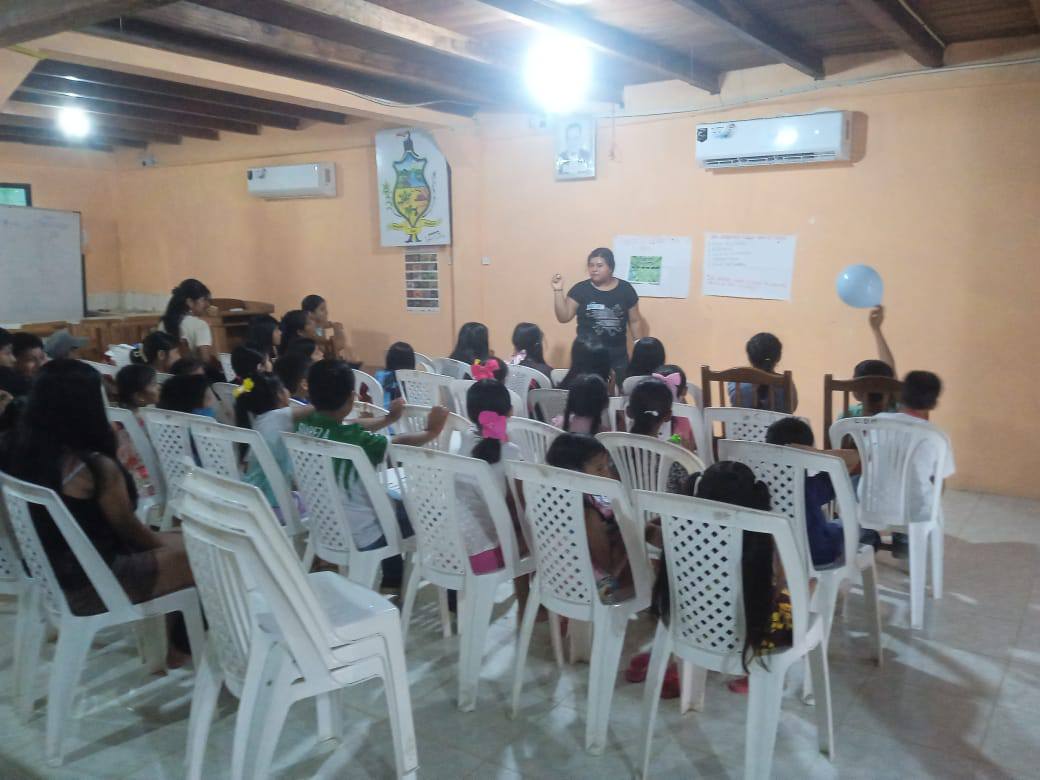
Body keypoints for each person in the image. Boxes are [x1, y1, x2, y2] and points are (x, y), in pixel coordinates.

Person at [2, 360, 194, 638]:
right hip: (95, 584)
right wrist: (168, 544)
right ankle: (181, 649)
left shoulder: (17, 451)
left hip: (50, 578)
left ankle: (172, 640)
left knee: (189, 541)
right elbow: (130, 531)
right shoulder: (92, 467)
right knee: (206, 557)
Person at [649, 461, 791, 684]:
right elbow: (781, 585)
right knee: (805, 587)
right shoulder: (763, 540)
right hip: (747, 635)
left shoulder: (682, 534)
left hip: (690, 624)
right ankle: (755, 669)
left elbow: (649, 533)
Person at [295, 359, 449, 556]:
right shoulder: (356, 441)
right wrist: (431, 431)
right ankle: (398, 569)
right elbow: (398, 443)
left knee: (396, 502)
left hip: (326, 526)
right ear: (351, 398)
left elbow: (350, 426)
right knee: (431, 511)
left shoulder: (303, 425)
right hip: (368, 534)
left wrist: (388, 419)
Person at [765, 417, 875, 567]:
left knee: (836, 524)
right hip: (820, 554)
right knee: (869, 532)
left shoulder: (761, 484)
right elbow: (859, 458)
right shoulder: (812, 487)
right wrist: (818, 454)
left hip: (780, 557)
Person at [875, 371, 955, 559]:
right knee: (937, 480)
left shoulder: (876, 421)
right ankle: (910, 536)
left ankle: (865, 535)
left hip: (872, 503)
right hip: (914, 510)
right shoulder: (937, 435)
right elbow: (941, 477)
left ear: (901, 395)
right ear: (934, 403)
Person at [545, 433, 632, 602]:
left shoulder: (551, 499)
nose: (607, 473)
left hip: (552, 577)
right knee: (651, 575)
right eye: (600, 468)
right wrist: (631, 536)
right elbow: (610, 567)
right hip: (589, 589)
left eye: (607, 465)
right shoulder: (588, 513)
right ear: (574, 474)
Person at [457, 379, 525, 576]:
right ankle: (526, 596)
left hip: (451, 547)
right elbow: (519, 510)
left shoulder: (464, 439)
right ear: (510, 411)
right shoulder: (511, 452)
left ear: (469, 413)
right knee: (547, 532)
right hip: (485, 554)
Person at [552, 248, 646, 384]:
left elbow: (635, 321)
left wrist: (639, 347)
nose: (594, 269)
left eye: (599, 265)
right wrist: (558, 290)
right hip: (586, 354)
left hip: (617, 355)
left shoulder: (625, 289)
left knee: (616, 391)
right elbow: (564, 317)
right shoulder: (580, 289)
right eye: (591, 265)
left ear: (611, 268)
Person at [233, 372, 313, 511]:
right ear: (279, 394)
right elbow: (315, 408)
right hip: (272, 505)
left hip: (253, 500)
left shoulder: (259, 421)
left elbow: (237, 391)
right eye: (283, 387)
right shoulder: (278, 417)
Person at [626, 378, 692, 494]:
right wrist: (688, 456)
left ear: (628, 412)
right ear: (668, 416)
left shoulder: (616, 449)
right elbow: (689, 488)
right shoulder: (674, 456)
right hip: (668, 505)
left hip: (630, 505)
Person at [113, 363, 160, 501]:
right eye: (153, 384)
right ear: (139, 396)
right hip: (148, 481)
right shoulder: (145, 420)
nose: (158, 387)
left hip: (125, 480)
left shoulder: (118, 417)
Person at [843, 306, 898, 418]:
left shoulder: (847, 415)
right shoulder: (896, 413)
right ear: (890, 388)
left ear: (855, 391)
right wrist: (876, 330)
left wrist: (876, 329)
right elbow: (890, 374)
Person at [728, 332, 798, 412]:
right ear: (778, 357)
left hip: (740, 421)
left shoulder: (735, 383)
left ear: (750, 358)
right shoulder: (786, 383)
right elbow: (792, 409)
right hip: (779, 421)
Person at [159, 279, 213, 364]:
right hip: (191, 372)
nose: (208, 304)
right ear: (190, 302)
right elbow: (205, 361)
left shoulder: (163, 323)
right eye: (203, 300)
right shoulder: (200, 325)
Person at [301, 294, 352, 360]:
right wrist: (338, 330)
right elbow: (336, 345)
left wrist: (331, 324)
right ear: (310, 313)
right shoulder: (313, 329)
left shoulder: (318, 326)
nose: (326, 312)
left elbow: (325, 326)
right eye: (322, 309)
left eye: (325, 309)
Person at [376, 342, 415, 408]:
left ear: (389, 358)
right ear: (411, 360)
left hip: (381, 411)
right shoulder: (415, 379)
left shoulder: (380, 375)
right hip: (408, 412)